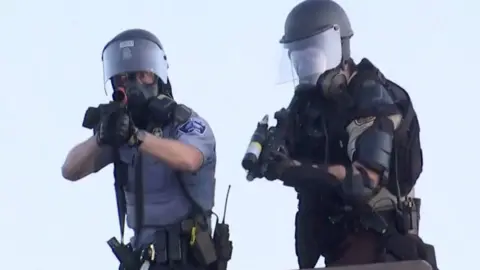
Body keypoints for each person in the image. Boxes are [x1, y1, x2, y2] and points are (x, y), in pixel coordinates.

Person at [258, 0, 438, 269]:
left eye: (313, 55)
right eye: (299, 58)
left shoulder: (371, 98)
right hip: (337, 247)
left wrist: (293, 170)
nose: (306, 67)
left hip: (379, 245)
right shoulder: (309, 107)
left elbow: (364, 181)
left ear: (337, 48)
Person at [61, 29, 219, 270]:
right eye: (123, 78)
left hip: (187, 258)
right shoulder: (118, 131)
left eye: (143, 75)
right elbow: (70, 169)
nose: (133, 85)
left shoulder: (185, 123)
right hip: (141, 257)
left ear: (158, 77)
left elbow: (190, 159)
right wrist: (101, 138)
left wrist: (137, 138)